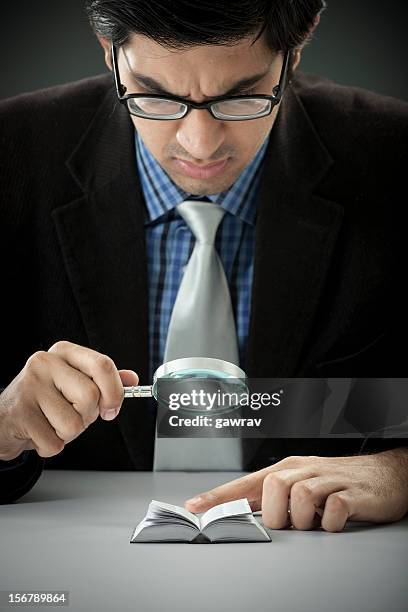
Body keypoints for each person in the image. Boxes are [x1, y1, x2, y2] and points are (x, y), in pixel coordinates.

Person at [0, 0, 407, 532]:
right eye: (155, 95)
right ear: (110, 55)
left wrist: (400, 471)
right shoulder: (10, 155)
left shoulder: (395, 160)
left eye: (241, 96)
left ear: (293, 55)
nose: (199, 144)